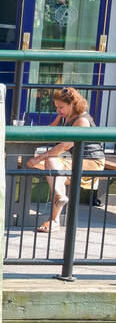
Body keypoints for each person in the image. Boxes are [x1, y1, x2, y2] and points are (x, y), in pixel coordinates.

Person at [27, 86, 106, 233]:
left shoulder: (82, 120)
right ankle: (59, 201)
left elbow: (64, 146)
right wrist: (59, 116)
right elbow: (51, 130)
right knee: (53, 166)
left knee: (52, 163)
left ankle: (56, 215)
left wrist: (38, 159)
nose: (58, 110)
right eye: (56, 107)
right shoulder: (67, 116)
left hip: (92, 162)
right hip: (76, 160)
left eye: (61, 107)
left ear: (72, 105)